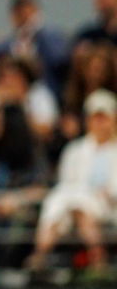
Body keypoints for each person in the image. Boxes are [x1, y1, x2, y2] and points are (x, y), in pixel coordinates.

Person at [29, 89, 117, 273]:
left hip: (108, 204)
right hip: (75, 201)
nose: (100, 124)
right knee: (65, 205)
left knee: (82, 208)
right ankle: (40, 257)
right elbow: (66, 183)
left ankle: (98, 260)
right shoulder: (75, 150)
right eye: (96, 118)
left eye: (104, 118)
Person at [0, 0, 70, 94]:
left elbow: (59, 60)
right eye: (18, 12)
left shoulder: (51, 37)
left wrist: (38, 32)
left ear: (36, 11)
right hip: (14, 95)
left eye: (27, 10)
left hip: (47, 94)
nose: (23, 15)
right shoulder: (4, 46)